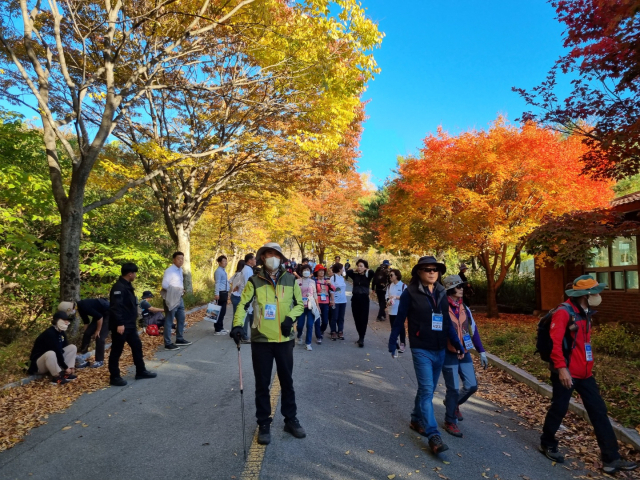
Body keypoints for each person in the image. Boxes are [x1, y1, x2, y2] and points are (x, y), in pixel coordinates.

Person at [539, 275, 637, 475]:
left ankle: (611, 459)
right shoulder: (564, 313)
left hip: (584, 374)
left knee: (599, 411)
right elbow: (555, 344)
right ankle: (547, 443)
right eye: (596, 292)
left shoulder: (585, 312)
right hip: (565, 372)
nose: (599, 295)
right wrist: (562, 369)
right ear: (586, 294)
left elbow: (584, 344)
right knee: (560, 408)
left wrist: (588, 365)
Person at [230, 242, 306, 446]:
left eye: (276, 254)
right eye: (268, 254)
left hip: (284, 339)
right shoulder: (254, 281)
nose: (272, 257)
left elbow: (300, 305)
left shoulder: (291, 279)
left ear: (281, 258)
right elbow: (243, 305)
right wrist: (237, 325)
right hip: (261, 340)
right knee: (262, 384)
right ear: (262, 257)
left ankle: (290, 419)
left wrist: (290, 319)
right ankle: (263, 423)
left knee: (287, 382)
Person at [388, 256, 464, 455]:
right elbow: (400, 319)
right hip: (421, 347)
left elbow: (446, 321)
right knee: (427, 389)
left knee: (426, 391)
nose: (432, 272)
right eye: (427, 269)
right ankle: (433, 435)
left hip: (440, 348)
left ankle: (415, 419)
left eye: (435, 269)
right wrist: (393, 341)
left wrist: (456, 343)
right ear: (419, 273)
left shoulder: (440, 291)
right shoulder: (410, 293)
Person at [441, 275, 488, 438]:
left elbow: (472, 330)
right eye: (458, 286)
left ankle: (452, 404)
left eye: (462, 286)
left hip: (465, 352)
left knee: (471, 385)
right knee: (453, 388)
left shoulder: (464, 308)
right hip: (449, 353)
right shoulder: (441, 307)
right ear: (449, 289)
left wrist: (481, 351)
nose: (462, 289)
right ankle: (450, 421)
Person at [108, 263, 157, 387]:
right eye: (134, 273)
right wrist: (119, 323)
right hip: (121, 325)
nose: (135, 275)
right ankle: (114, 376)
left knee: (137, 346)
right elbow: (116, 307)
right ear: (130, 274)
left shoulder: (128, 286)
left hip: (130, 324)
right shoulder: (118, 287)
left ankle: (141, 371)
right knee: (117, 350)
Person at [28, 311, 78, 385]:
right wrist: (65, 366)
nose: (67, 322)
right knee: (51, 353)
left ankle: (66, 374)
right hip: (39, 364)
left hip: (52, 361)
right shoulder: (50, 333)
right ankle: (56, 377)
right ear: (57, 321)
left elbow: (64, 348)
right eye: (64, 320)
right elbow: (57, 351)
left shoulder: (61, 332)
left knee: (72, 347)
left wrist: (69, 367)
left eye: (67, 320)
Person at [161, 252, 192, 350]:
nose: (181, 260)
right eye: (179, 258)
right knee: (169, 320)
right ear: (174, 259)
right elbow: (164, 285)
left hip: (179, 298)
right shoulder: (169, 271)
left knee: (181, 318)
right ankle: (168, 343)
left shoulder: (180, 270)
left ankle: (179, 338)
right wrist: (177, 290)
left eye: (182, 259)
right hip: (171, 298)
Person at [346, 259, 374, 347]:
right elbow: (348, 272)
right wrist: (355, 269)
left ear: (365, 267)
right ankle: (360, 335)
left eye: (361, 266)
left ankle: (362, 338)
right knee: (356, 319)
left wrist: (366, 269)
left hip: (364, 299)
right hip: (355, 298)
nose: (359, 267)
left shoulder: (367, 276)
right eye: (358, 266)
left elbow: (373, 272)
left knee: (363, 319)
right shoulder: (355, 276)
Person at [77, 298, 110, 368]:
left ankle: (99, 361)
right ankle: (83, 356)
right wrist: (87, 333)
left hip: (108, 314)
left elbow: (100, 318)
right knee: (87, 334)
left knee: (99, 337)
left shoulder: (84, 306)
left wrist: (98, 330)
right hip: (98, 315)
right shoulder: (80, 308)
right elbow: (86, 321)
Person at [296, 264, 318, 351]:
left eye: (308, 269)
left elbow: (315, 294)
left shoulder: (312, 282)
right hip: (300, 306)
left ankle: (308, 343)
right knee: (300, 325)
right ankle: (299, 335)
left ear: (310, 271)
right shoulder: (297, 282)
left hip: (311, 306)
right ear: (301, 271)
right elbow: (295, 294)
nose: (306, 271)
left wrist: (317, 305)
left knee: (309, 325)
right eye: (304, 269)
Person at [385, 269, 406, 353]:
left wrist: (396, 297)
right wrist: (388, 301)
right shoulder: (390, 286)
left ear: (396, 276)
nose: (390, 277)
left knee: (401, 327)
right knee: (393, 326)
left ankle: (402, 343)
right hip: (391, 309)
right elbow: (386, 296)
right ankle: (395, 341)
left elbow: (406, 298)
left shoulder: (403, 286)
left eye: (391, 275)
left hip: (400, 310)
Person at [313, 264, 335, 344]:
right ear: (316, 272)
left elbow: (333, 289)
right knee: (317, 320)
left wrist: (330, 284)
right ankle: (318, 336)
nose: (322, 272)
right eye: (320, 271)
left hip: (326, 303)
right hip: (317, 303)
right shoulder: (314, 281)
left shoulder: (327, 281)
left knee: (325, 321)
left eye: (323, 271)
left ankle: (321, 330)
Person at [240, 253, 257, 343]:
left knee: (249, 315)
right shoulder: (247, 270)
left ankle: (246, 334)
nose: (255, 261)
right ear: (249, 261)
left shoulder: (248, 269)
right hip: (247, 297)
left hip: (248, 296)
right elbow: (248, 285)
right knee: (245, 316)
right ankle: (244, 336)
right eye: (254, 259)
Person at [328, 263, 347, 340]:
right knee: (334, 317)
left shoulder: (342, 278)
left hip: (343, 300)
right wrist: (332, 300)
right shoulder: (333, 278)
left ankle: (340, 331)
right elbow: (331, 289)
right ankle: (333, 331)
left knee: (341, 317)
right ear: (339, 269)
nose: (343, 270)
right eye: (342, 268)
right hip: (335, 300)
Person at [214, 255, 230, 335]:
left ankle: (221, 327)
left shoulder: (223, 270)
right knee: (219, 311)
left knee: (223, 311)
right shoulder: (218, 271)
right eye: (223, 261)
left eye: (226, 261)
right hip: (220, 292)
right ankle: (217, 329)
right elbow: (217, 283)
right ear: (219, 262)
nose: (225, 263)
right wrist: (216, 293)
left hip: (224, 292)